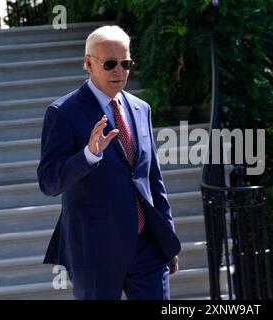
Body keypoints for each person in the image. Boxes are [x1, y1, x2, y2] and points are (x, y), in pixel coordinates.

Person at [37, 25, 180, 300]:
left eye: (125, 63)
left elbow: (152, 179)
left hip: (146, 246)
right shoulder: (63, 113)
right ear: (88, 63)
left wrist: (167, 238)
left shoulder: (141, 109)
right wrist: (89, 155)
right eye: (110, 63)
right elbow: (48, 181)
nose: (119, 71)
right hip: (94, 253)